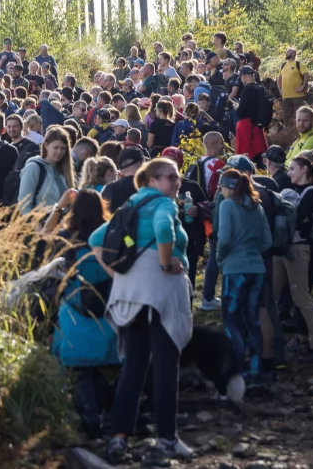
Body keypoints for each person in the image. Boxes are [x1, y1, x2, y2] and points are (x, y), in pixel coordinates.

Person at [92, 158, 195, 465]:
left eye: (177, 177)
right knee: (165, 364)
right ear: (152, 181)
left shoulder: (129, 207)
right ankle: (167, 439)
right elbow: (165, 229)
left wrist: (118, 275)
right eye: (170, 177)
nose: (176, 182)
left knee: (134, 365)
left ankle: (119, 437)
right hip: (160, 294)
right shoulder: (163, 205)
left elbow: (96, 240)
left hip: (130, 294)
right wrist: (165, 264)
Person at [40, 188, 121, 439]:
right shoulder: (110, 233)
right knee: (114, 365)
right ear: (101, 208)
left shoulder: (67, 237)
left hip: (76, 311)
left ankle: (90, 419)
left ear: (74, 211)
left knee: (81, 367)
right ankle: (119, 415)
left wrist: (58, 206)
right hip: (110, 310)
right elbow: (130, 247)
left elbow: (43, 234)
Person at [214, 168, 271, 385]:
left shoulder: (228, 205)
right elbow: (267, 242)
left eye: (220, 186)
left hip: (234, 269)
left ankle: (237, 371)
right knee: (253, 322)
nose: (219, 190)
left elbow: (224, 239)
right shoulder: (257, 208)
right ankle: (256, 371)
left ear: (228, 187)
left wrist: (220, 260)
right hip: (257, 269)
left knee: (231, 322)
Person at [277, 155, 313, 364]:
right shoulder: (294, 191)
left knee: (301, 297)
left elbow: (295, 217)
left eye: (292, 169)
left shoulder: (312, 192)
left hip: (300, 247)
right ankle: (268, 340)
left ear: (305, 169)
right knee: (270, 294)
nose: (289, 173)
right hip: (282, 248)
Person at [161, 147, 209, 292]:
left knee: (188, 282)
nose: (170, 166)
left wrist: (197, 210)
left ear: (180, 165)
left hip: (189, 241)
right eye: (167, 161)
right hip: (164, 242)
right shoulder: (156, 187)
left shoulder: (191, 186)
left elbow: (206, 208)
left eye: (174, 162)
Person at [18, 126, 75, 215]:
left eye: (63, 148)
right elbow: (24, 204)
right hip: (40, 223)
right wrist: (37, 226)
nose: (59, 152)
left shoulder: (64, 171)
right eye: (56, 147)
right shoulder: (34, 168)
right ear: (46, 145)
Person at [233, 67, 269, 162]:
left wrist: (237, 107)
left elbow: (240, 112)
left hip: (247, 127)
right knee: (259, 154)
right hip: (259, 127)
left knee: (246, 157)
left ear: (243, 76)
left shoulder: (247, 91)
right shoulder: (262, 89)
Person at [278, 47, 309, 127]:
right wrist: (280, 88)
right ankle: (288, 132)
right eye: (286, 52)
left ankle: (299, 131)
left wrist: (303, 86)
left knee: (299, 115)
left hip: (297, 95)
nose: (286, 54)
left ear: (293, 54)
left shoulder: (298, 64)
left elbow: (306, 75)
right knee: (286, 115)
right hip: (286, 96)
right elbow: (279, 78)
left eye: (288, 52)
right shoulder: (283, 65)